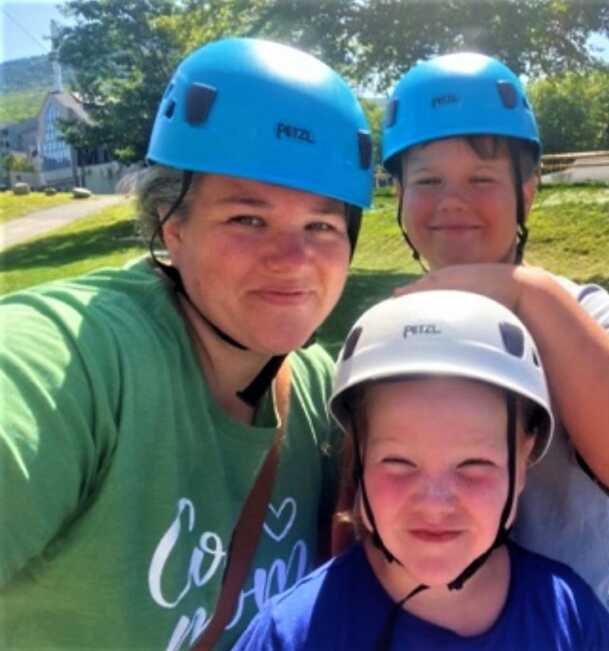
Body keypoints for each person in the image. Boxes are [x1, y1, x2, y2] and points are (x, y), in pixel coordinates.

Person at [0, 38, 373, 650]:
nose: (293, 260)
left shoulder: (323, 395)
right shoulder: (77, 361)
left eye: (321, 225)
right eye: (247, 219)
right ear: (172, 229)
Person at [379, 52, 609, 644]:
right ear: (399, 195)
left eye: (481, 180)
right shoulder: (387, 329)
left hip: (563, 631)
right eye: (427, 180)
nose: (452, 201)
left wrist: (530, 293)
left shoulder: (582, 312)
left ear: (526, 195)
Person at [233, 289, 609, 650]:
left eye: (474, 465)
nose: (435, 503)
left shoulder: (570, 618)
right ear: (359, 461)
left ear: (522, 466)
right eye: (399, 463)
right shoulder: (291, 634)